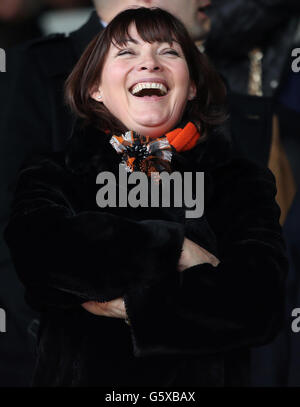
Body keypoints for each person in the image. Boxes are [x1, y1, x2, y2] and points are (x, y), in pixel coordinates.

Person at [4, 7, 288, 387]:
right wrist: (176, 251)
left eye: (169, 52)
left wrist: (133, 306)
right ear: (95, 88)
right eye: (126, 52)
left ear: (192, 85)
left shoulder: (238, 180)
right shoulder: (57, 170)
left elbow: (259, 304)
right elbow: (42, 254)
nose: (149, 63)